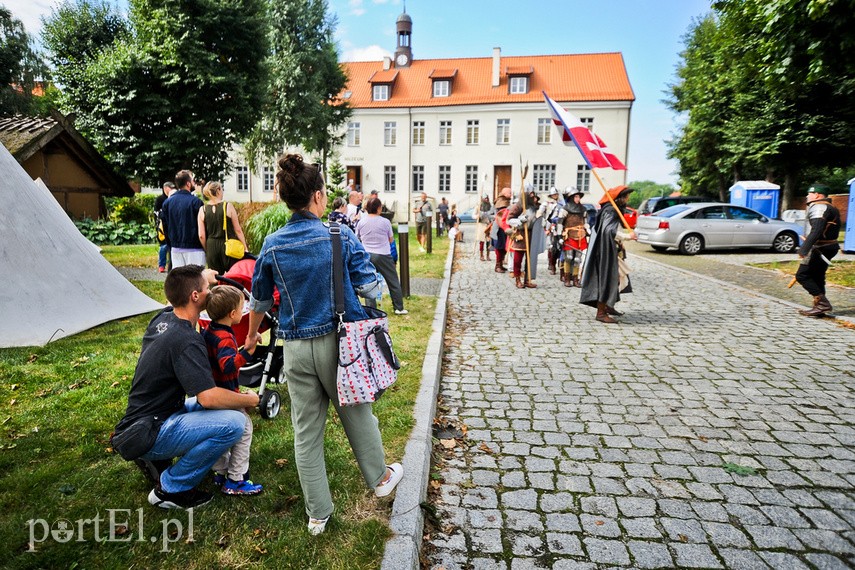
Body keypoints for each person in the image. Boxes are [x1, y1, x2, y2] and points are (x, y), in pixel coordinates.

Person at [244, 154, 403, 536]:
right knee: (357, 414)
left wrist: (251, 336)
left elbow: (259, 300)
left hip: (295, 348)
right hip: (340, 343)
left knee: (306, 432)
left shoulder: (272, 243)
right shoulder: (339, 235)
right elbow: (369, 285)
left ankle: (317, 513)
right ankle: (380, 478)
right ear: (317, 196)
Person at [112, 265, 260, 509]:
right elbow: (208, 398)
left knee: (221, 413)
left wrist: (203, 278)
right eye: (206, 288)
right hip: (155, 429)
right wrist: (251, 400)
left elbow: (177, 296)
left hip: (149, 418)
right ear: (194, 295)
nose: (210, 292)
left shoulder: (164, 318)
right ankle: (171, 489)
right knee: (236, 423)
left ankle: (160, 461)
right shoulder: (186, 341)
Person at [201, 285, 264, 496]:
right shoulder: (225, 338)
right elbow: (227, 365)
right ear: (232, 313)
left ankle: (220, 471)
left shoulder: (211, 330)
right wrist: (247, 353)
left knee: (219, 432)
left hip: (212, 391)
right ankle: (236, 479)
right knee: (245, 429)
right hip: (225, 393)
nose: (244, 310)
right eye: (242, 307)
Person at [579, 185, 637, 323]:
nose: (628, 199)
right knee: (607, 278)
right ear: (620, 198)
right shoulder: (610, 210)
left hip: (611, 248)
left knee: (616, 278)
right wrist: (627, 236)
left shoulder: (614, 209)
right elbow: (608, 231)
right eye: (626, 196)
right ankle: (601, 313)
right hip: (605, 250)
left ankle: (608, 306)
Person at [356, 196, 408, 315]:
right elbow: (391, 239)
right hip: (383, 254)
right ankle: (398, 308)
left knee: (369, 283)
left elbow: (357, 238)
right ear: (379, 208)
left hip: (367, 255)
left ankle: (371, 310)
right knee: (393, 281)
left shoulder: (361, 222)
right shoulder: (385, 222)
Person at [796, 184, 841, 317]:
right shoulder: (830, 207)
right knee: (817, 276)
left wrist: (804, 249)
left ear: (817, 195)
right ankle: (820, 307)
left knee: (802, 275)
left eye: (809, 193)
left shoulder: (820, 207)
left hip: (821, 248)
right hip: (828, 246)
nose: (807, 196)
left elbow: (817, 230)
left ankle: (822, 304)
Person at [197, 181, 248, 274]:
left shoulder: (202, 209)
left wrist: (207, 248)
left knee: (215, 277)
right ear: (218, 190)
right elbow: (238, 230)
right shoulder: (227, 206)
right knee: (232, 276)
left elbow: (201, 235)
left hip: (211, 246)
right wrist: (245, 247)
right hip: (229, 246)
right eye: (222, 189)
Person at [161, 170, 206, 268]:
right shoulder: (196, 202)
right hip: (195, 248)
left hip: (175, 248)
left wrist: (171, 245)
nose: (194, 183)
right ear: (188, 184)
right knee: (196, 276)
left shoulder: (167, 203)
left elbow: (165, 227)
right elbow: (203, 227)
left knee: (180, 277)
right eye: (193, 181)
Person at [561, 189, 589, 287]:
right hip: (569, 234)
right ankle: (567, 278)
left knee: (577, 259)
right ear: (571, 198)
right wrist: (560, 235)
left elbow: (585, 222)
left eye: (579, 197)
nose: (578, 198)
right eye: (576, 196)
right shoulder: (565, 209)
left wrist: (588, 229)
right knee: (568, 257)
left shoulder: (583, 209)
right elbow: (560, 223)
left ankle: (575, 279)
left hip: (581, 234)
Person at [155, 182, 176, 273]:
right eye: (170, 188)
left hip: (172, 225)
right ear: (165, 188)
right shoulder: (160, 199)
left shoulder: (173, 198)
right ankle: (161, 265)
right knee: (163, 247)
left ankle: (171, 265)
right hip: (162, 226)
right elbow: (156, 213)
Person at [490, 187, 512, 272]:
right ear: (505, 193)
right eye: (509, 193)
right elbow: (501, 215)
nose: (511, 194)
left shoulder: (505, 201)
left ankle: (501, 264)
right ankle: (498, 266)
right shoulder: (501, 202)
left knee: (503, 247)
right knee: (499, 247)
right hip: (499, 228)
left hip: (504, 227)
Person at [543, 187, 563, 275]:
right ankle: (552, 265)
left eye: (556, 194)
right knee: (552, 247)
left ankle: (560, 266)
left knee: (561, 247)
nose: (555, 196)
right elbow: (546, 217)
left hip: (561, 226)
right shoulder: (548, 204)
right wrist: (547, 228)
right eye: (553, 195)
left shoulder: (562, 203)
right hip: (552, 227)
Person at [476, 193, 492, 261]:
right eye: (485, 198)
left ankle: (488, 255)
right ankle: (481, 255)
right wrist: (478, 216)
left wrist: (491, 218)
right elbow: (473, 215)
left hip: (488, 225)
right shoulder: (479, 206)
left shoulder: (490, 206)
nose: (486, 199)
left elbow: (492, 214)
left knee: (488, 241)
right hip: (481, 225)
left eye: (487, 198)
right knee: (482, 241)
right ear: (482, 199)